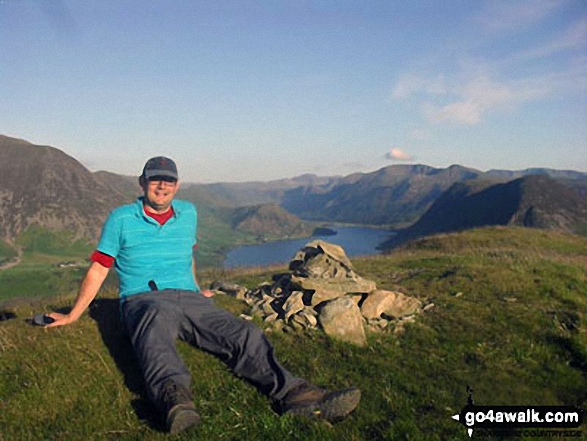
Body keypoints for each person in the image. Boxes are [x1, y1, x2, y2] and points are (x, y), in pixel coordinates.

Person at [46, 156, 361, 434]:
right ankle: (175, 399)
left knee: (244, 333)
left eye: (168, 180)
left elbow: (188, 256)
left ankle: (297, 395)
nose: (162, 185)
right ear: (142, 182)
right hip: (145, 298)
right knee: (154, 333)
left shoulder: (188, 213)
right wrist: (73, 314)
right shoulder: (121, 218)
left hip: (190, 297)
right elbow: (99, 269)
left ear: (177, 184)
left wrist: (196, 290)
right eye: (155, 179)